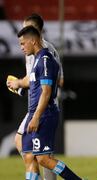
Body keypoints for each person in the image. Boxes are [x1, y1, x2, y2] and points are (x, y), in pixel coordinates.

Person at [15, 26, 80, 180]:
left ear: (33, 40)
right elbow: (34, 86)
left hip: (44, 114)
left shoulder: (45, 59)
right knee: (29, 156)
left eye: (23, 43)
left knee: (43, 159)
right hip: (34, 114)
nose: (21, 47)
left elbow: (46, 91)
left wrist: (36, 117)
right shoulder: (36, 59)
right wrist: (18, 85)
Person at [6, 13, 64, 180]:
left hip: (44, 107)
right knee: (37, 154)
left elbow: (40, 82)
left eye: (28, 27)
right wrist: (21, 87)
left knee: (41, 155)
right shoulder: (33, 51)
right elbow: (33, 78)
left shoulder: (45, 53)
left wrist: (18, 84)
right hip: (38, 104)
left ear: (36, 32)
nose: (24, 30)